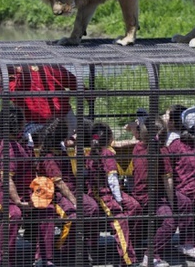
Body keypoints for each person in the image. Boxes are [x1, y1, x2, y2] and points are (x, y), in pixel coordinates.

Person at [0, 103, 56, 267]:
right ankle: (3, 261)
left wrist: (37, 195)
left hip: (22, 192)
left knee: (48, 210)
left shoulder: (24, 142)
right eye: (22, 121)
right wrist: (18, 202)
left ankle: (43, 259)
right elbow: (5, 179)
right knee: (14, 213)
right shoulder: (8, 146)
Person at [37, 118, 100, 265]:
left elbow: (72, 143)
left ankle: (87, 248)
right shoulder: (48, 157)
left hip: (73, 191)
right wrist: (74, 200)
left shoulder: (61, 150)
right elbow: (59, 183)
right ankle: (62, 248)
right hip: (57, 195)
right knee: (73, 215)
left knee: (93, 208)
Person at [85, 122, 141, 267]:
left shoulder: (97, 151)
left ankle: (126, 243)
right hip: (103, 193)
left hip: (112, 191)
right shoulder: (105, 153)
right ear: (109, 137)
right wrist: (119, 200)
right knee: (120, 219)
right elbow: (112, 179)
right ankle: (128, 260)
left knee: (135, 206)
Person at [125, 114, 173, 267]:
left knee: (181, 204)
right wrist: (173, 204)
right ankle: (151, 255)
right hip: (151, 198)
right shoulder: (161, 151)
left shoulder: (138, 146)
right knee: (171, 219)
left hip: (139, 195)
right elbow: (168, 179)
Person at [160, 105, 195, 261]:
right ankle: (188, 242)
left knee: (189, 200)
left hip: (188, 186)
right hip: (176, 187)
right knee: (187, 201)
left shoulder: (176, 142)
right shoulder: (175, 142)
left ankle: (189, 242)